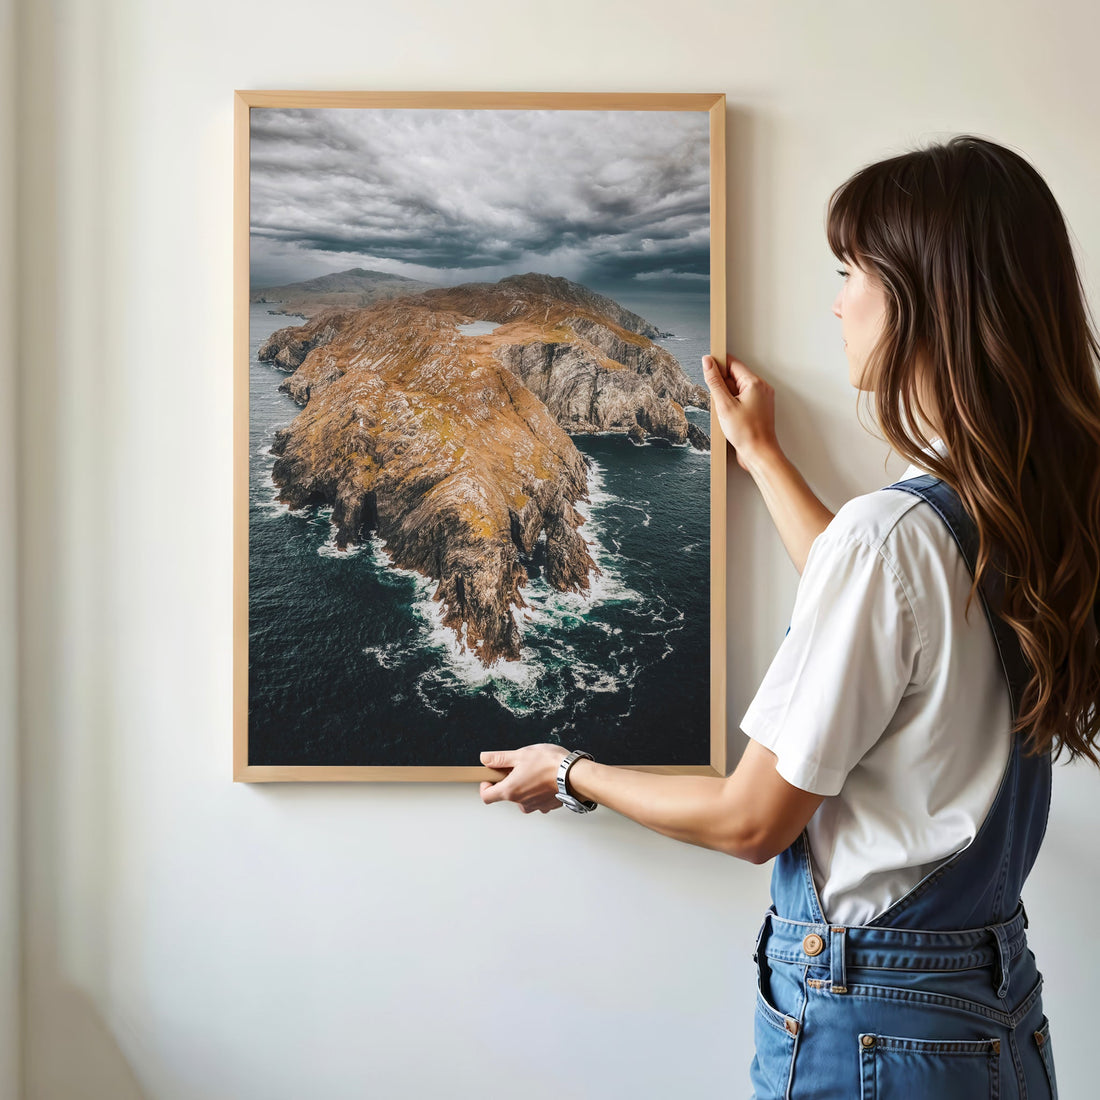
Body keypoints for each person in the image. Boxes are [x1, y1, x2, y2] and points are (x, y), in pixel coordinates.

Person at [477, 134, 1100, 1098]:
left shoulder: (895, 536)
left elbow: (750, 820)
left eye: (851, 273)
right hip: (990, 1015)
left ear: (925, 300)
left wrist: (568, 771)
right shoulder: (1025, 510)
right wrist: (763, 456)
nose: (838, 302)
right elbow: (886, 619)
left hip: (874, 1028)